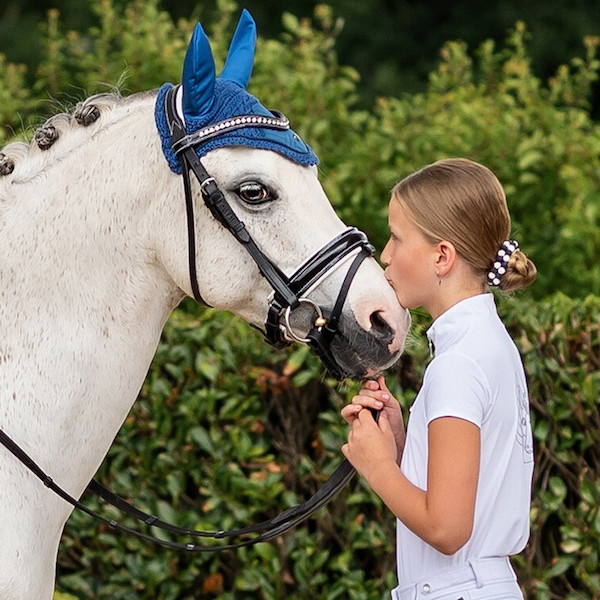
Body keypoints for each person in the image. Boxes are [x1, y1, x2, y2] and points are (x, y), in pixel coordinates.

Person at [341, 158, 536, 600]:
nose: (384, 255)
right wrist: (404, 445)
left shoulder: (458, 363)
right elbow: (471, 488)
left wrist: (377, 466)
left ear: (442, 256)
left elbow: (447, 529)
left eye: (395, 237)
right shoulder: (488, 344)